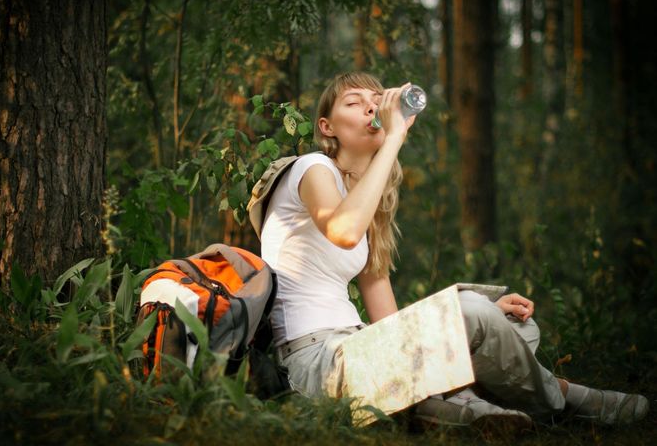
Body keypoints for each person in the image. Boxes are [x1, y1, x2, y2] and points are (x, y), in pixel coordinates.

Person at [258, 72, 649, 427]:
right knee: (476, 314)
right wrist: (394, 137)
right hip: (317, 364)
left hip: (362, 347)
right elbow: (343, 230)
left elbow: (387, 325)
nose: (371, 107)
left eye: (376, 99)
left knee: (516, 327)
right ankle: (566, 401)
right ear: (327, 127)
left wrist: (478, 321)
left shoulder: (368, 200)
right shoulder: (312, 168)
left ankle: (455, 408)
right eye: (354, 101)